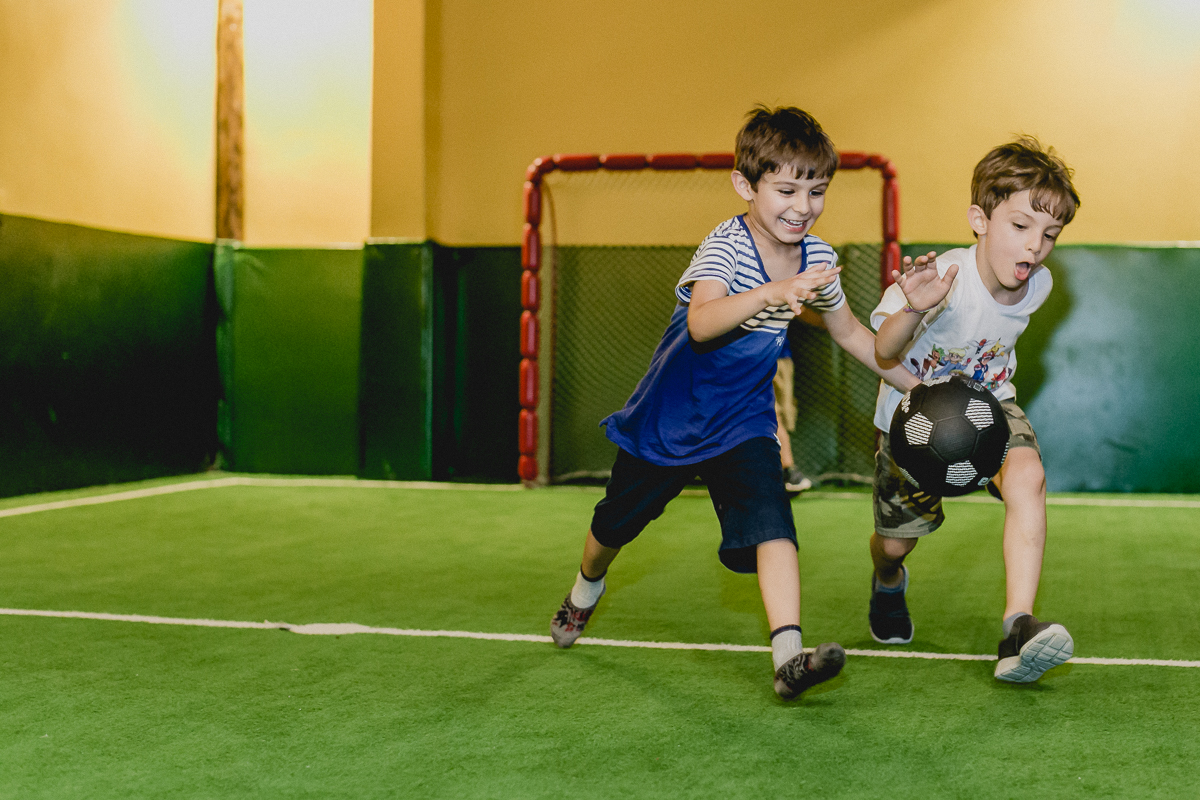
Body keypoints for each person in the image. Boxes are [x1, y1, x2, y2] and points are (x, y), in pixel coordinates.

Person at [549, 106, 919, 700]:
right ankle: (584, 590)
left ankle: (788, 657)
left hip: (743, 423)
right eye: (787, 189)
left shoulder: (816, 258)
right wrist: (775, 291)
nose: (802, 206)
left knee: (775, 525)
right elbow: (701, 322)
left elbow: (853, 335)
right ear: (746, 186)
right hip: (669, 420)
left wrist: (920, 387)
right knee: (614, 525)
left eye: (817, 191)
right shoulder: (727, 246)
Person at [867, 136, 1080, 683]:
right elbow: (884, 351)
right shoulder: (944, 282)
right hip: (915, 422)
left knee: (1028, 476)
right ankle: (888, 578)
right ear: (979, 220)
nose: (1035, 246)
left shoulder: (1038, 286)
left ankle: (1017, 628)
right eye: (1020, 226)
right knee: (896, 541)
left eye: (1050, 234)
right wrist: (916, 308)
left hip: (989, 409)